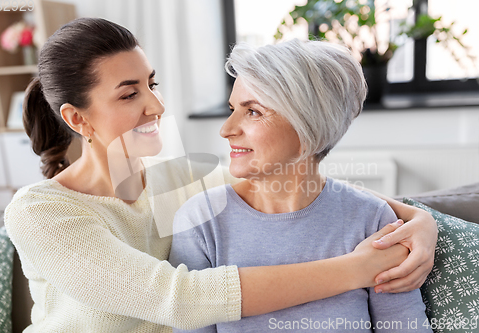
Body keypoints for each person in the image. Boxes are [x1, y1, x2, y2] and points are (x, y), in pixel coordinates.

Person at [4, 18, 436, 332]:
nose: (156, 107)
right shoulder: (40, 212)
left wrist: (419, 220)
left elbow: (296, 183)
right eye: (130, 93)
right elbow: (180, 300)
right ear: (77, 118)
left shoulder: (179, 180)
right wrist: (359, 269)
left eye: (152, 85)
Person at [169, 40, 431, 332]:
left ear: (308, 124)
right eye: (232, 109)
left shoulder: (373, 221)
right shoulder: (201, 222)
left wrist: (424, 218)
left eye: (253, 111)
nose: (226, 129)